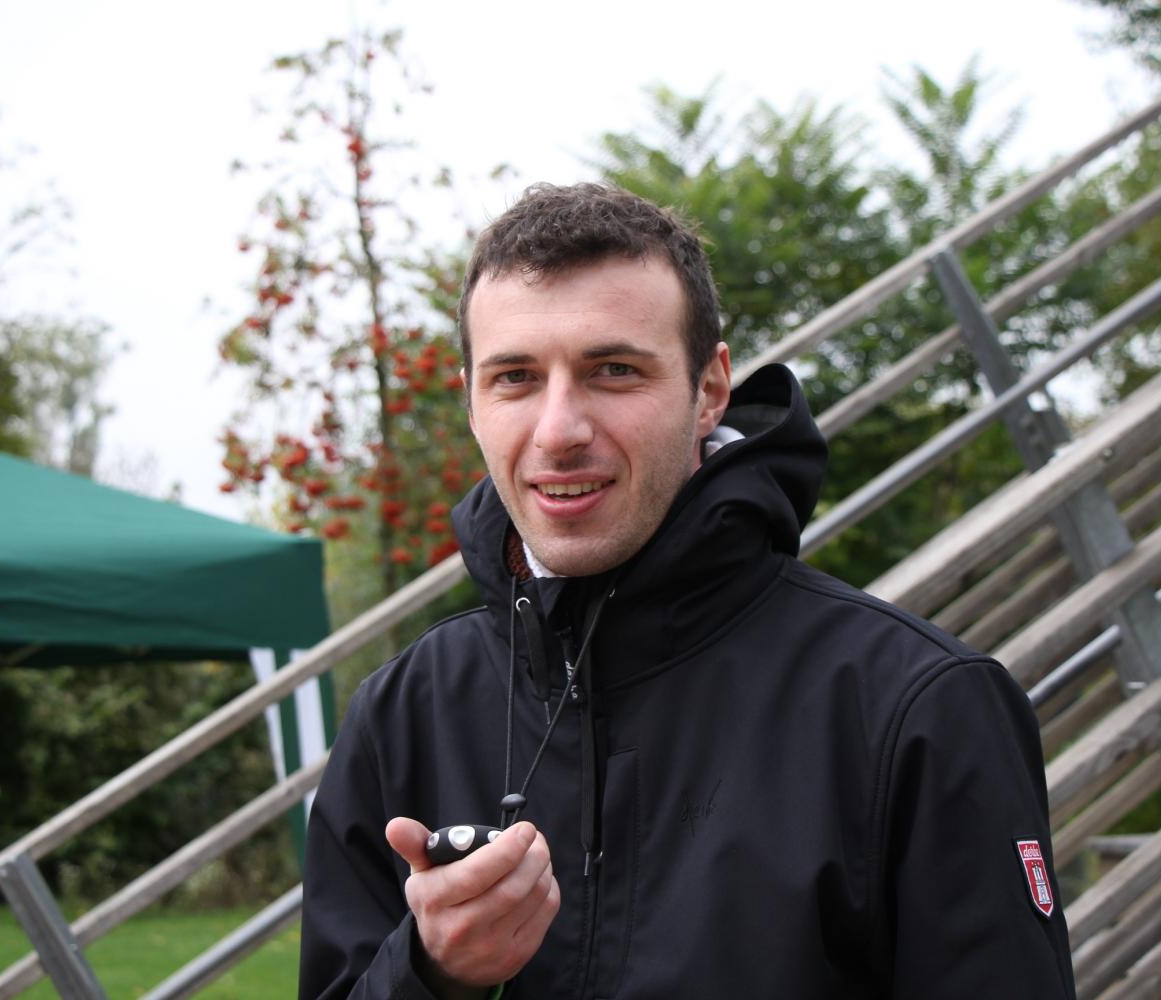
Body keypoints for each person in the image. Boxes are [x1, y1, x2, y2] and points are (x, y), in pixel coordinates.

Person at [299, 183, 1076, 999]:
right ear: (470, 399)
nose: (559, 430)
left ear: (709, 390)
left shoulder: (917, 711)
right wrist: (430, 976)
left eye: (613, 371)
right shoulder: (400, 716)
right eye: (516, 378)